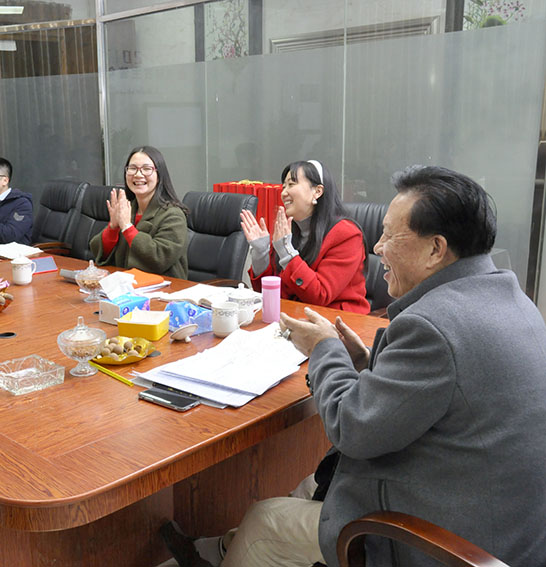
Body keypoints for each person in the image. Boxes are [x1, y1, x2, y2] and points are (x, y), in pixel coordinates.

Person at [163, 165, 546, 567]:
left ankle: (232, 551)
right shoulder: (513, 300)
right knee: (310, 486)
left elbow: (352, 428)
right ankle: (218, 551)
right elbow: (441, 392)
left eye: (389, 236)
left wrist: (324, 347)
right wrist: (365, 362)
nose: (377, 247)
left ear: (436, 249)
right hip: (502, 520)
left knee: (266, 519)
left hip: (452, 543)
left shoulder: (433, 325)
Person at [241, 160, 369, 314]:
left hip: (338, 321)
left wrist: (286, 252)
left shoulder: (347, 234)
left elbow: (320, 295)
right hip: (294, 317)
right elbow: (270, 294)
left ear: (317, 191)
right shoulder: (289, 231)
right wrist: (261, 254)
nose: (283, 193)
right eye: (284, 186)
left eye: (291, 184)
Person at [89, 146, 189, 278]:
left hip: (165, 287)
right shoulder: (128, 208)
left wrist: (127, 227)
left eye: (147, 169)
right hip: (125, 284)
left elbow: (159, 259)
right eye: (132, 168)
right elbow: (97, 252)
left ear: (159, 176)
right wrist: (113, 227)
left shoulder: (173, 215)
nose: (138, 174)